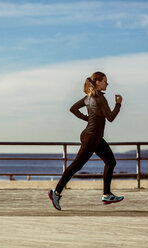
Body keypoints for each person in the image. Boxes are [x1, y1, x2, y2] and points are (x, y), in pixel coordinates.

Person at [48, 71, 124, 210]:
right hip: (91, 137)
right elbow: (111, 117)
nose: (107, 83)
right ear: (97, 83)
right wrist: (118, 104)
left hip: (93, 136)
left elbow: (73, 109)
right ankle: (56, 192)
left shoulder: (88, 97)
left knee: (110, 162)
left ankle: (107, 195)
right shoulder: (100, 98)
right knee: (77, 165)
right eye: (105, 81)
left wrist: (87, 119)